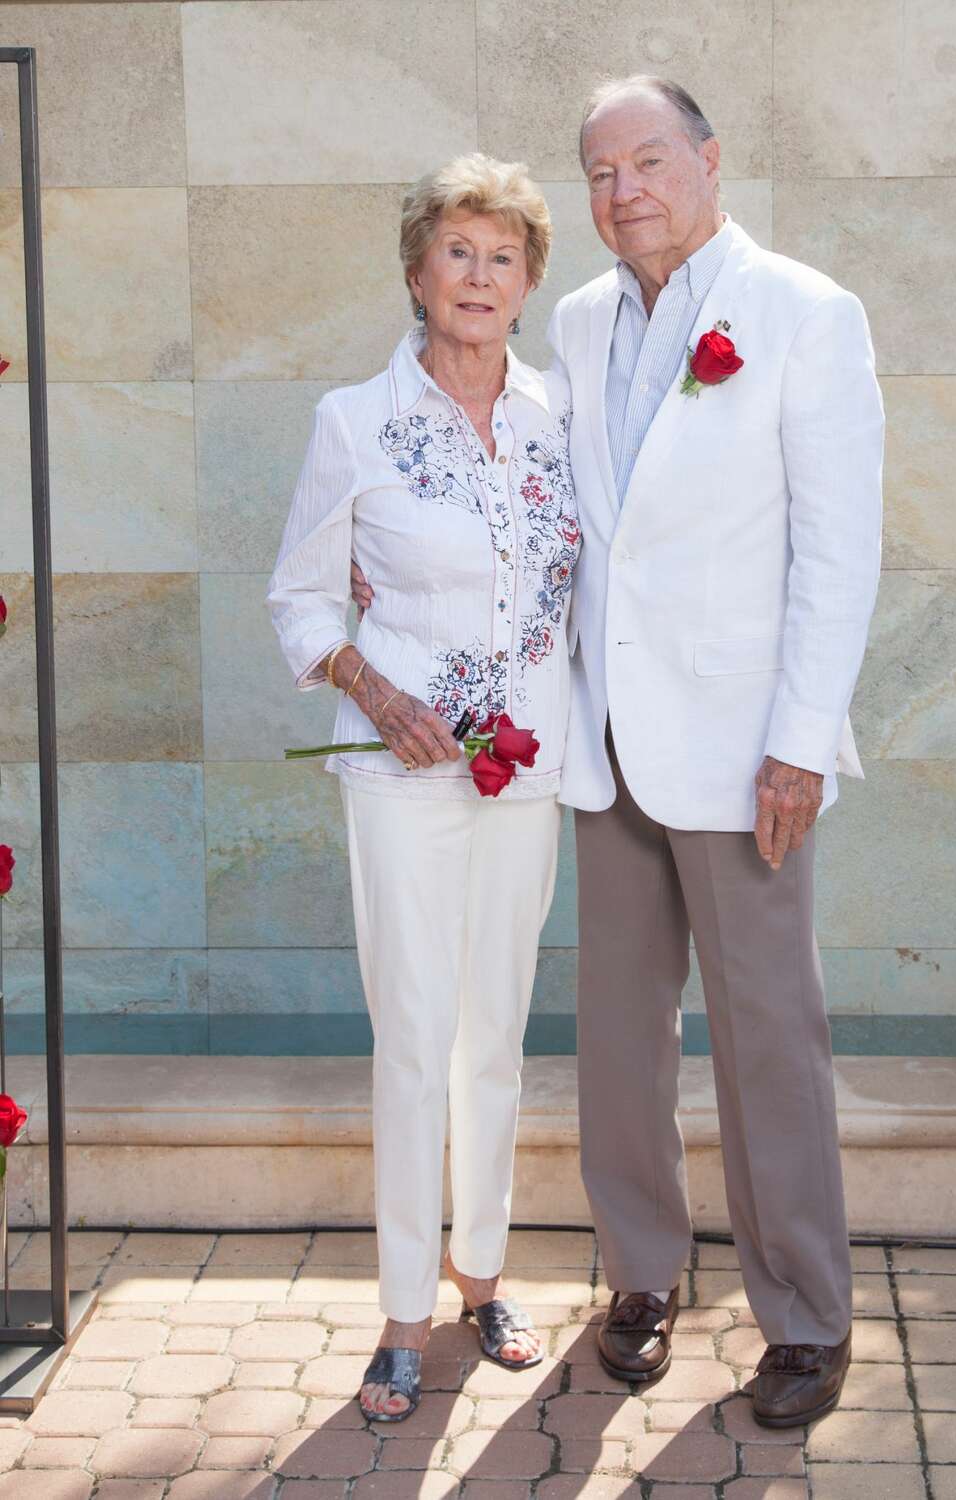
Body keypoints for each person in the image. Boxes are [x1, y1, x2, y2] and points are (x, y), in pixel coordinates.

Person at [352, 78, 883, 1430]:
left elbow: (838, 550)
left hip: (746, 751)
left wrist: (801, 741)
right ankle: (642, 1276)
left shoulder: (806, 316)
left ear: (708, 161)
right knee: (618, 1042)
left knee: (772, 1037)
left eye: (649, 160)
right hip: (598, 748)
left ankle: (806, 1319)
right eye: (600, 171)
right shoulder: (577, 325)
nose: (625, 188)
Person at [267, 153, 580, 1425]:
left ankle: (483, 1275)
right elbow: (299, 595)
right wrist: (375, 692)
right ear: (417, 273)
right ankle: (402, 1309)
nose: (480, 275)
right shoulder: (356, 420)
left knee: (494, 1036)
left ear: (529, 284)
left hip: (533, 767)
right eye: (459, 251)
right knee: (413, 1036)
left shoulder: (565, 415)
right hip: (403, 774)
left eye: (503, 256)